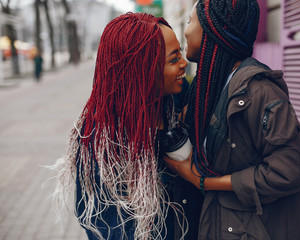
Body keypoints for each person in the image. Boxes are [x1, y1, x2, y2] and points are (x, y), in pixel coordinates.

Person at [164, 0, 300, 240]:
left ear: (211, 30)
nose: (186, 29)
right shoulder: (212, 85)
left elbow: (293, 170)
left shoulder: (259, 92)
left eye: (190, 21)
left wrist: (204, 182)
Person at [51, 12, 203, 240]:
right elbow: (103, 224)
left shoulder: (178, 101)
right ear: (143, 71)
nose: (184, 64)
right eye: (173, 59)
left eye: (180, 53)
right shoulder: (101, 140)